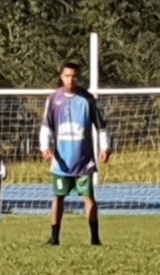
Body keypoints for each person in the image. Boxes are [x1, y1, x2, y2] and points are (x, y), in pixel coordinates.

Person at [38, 62, 111, 247]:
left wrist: (105, 147)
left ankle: (95, 238)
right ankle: (54, 237)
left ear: (78, 77)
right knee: (58, 197)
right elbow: (46, 126)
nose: (71, 79)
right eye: (67, 76)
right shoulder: (53, 99)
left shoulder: (87, 99)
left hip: (84, 160)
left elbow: (101, 126)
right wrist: (44, 147)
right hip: (61, 161)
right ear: (61, 77)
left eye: (74, 76)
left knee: (89, 197)